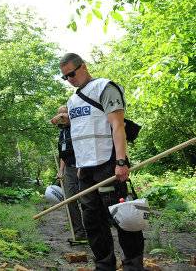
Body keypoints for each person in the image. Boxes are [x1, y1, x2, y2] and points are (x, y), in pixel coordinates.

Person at [59, 53, 144, 271]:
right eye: (65, 77)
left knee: (122, 216)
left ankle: (133, 265)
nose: (70, 79)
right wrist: (79, 167)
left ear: (83, 67)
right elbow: (80, 134)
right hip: (85, 170)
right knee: (92, 220)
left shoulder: (105, 88)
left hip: (109, 163)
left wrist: (121, 161)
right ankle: (104, 265)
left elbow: (118, 126)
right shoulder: (73, 100)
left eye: (72, 73)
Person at [50, 105, 87, 243]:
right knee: (70, 200)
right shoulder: (62, 132)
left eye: (64, 113)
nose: (62, 116)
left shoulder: (77, 127)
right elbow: (63, 155)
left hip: (82, 167)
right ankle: (79, 232)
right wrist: (60, 170)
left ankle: (93, 229)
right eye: (59, 113)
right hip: (69, 170)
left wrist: (81, 166)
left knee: (86, 200)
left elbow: (83, 148)